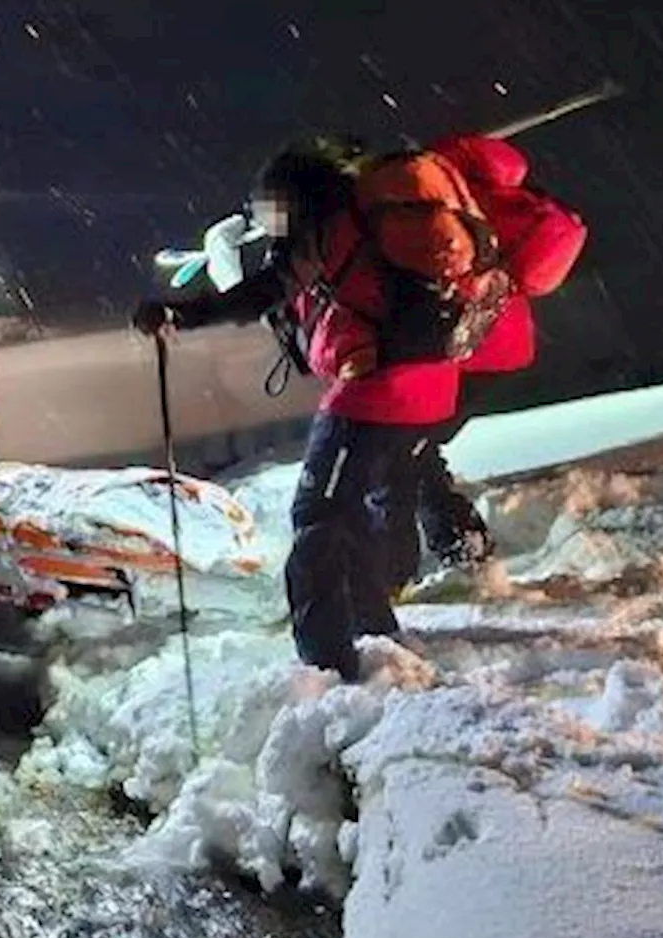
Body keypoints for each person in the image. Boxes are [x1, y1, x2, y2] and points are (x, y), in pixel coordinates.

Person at [133, 135, 480, 682]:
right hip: (430, 383)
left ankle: (326, 661)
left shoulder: (326, 228)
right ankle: (372, 628)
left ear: (294, 198)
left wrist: (182, 315)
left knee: (318, 517)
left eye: (272, 210)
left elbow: (261, 292)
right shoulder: (372, 221)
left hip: (373, 392)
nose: (271, 224)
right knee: (356, 514)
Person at [395, 133, 587, 587]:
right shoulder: (503, 199)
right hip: (503, 348)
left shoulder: (447, 204)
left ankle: (457, 551)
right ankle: (450, 547)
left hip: (463, 353)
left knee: (404, 449)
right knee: (411, 447)